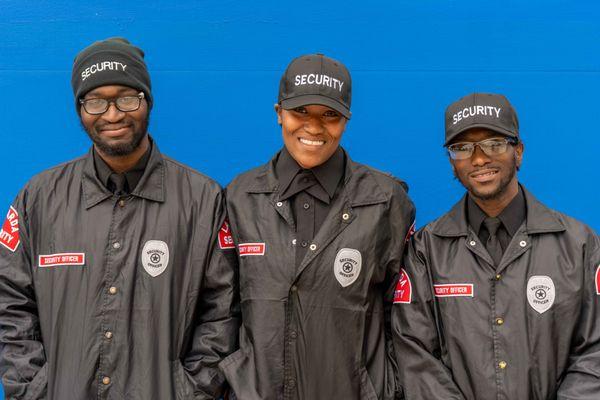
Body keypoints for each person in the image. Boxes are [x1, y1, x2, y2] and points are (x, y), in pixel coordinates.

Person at [0, 37, 239, 399]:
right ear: (80, 108)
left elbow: (223, 312)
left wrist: (191, 392)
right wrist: (35, 391)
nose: (112, 115)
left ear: (148, 101)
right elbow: (10, 302)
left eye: (127, 98)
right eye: (95, 101)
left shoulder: (202, 200)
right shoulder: (39, 198)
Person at [220, 53, 415, 400]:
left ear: (346, 120)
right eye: (300, 113)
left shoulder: (386, 201)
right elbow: (223, 308)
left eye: (330, 115)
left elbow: (406, 318)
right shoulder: (240, 196)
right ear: (278, 113)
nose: (314, 127)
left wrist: (386, 387)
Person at [392, 92, 600, 399]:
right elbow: (414, 353)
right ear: (452, 163)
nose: (478, 159)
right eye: (462, 148)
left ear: (519, 152)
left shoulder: (579, 245)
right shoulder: (426, 250)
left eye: (494, 143)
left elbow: (595, 349)